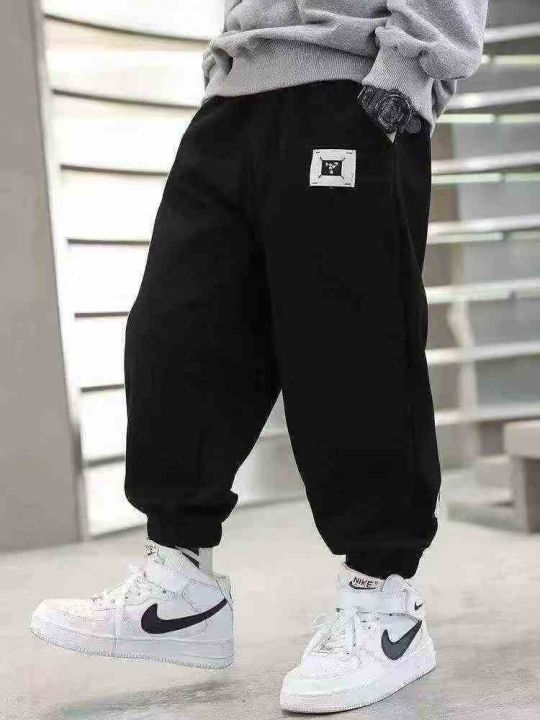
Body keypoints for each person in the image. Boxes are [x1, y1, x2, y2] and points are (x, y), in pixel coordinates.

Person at [31, 1, 489, 712]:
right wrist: (226, 66)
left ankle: (385, 602)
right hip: (239, 91)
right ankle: (181, 585)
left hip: (354, 83)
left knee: (350, 353)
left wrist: (406, 71)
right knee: (177, 332)